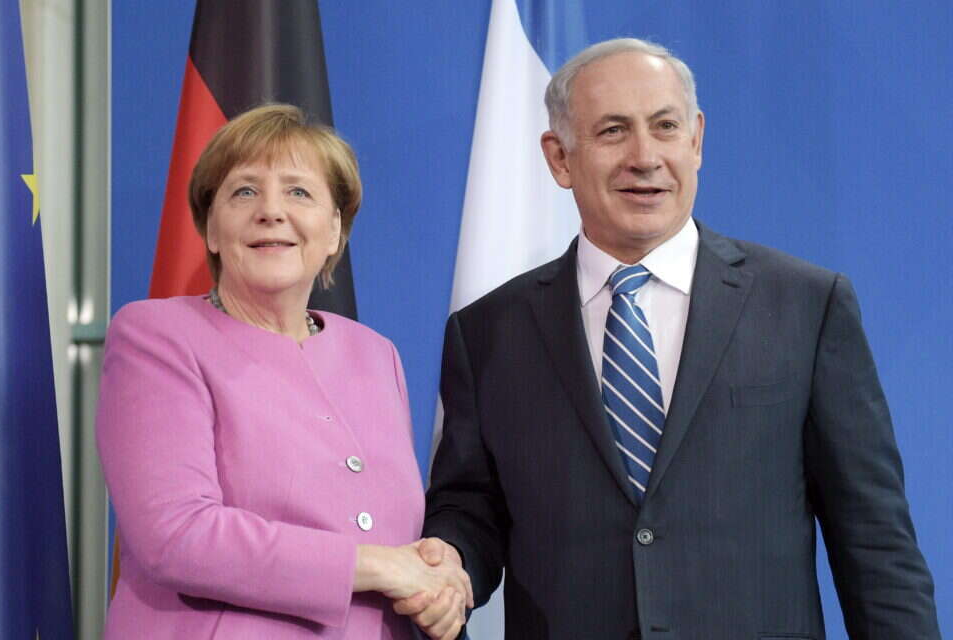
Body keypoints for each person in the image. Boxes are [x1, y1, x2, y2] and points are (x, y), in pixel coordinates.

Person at [402, 39, 941, 638]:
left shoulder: (805, 306)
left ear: (696, 140)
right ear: (559, 158)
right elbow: (471, 508)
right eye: (613, 131)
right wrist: (451, 561)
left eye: (665, 126)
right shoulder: (487, 332)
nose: (645, 157)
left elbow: (876, 544)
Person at [96, 104, 471, 639]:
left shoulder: (375, 354)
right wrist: (378, 565)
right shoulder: (156, 336)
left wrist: (438, 572)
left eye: (298, 192)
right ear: (211, 229)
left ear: (334, 229)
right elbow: (176, 535)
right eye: (244, 192)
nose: (271, 211)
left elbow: (392, 527)